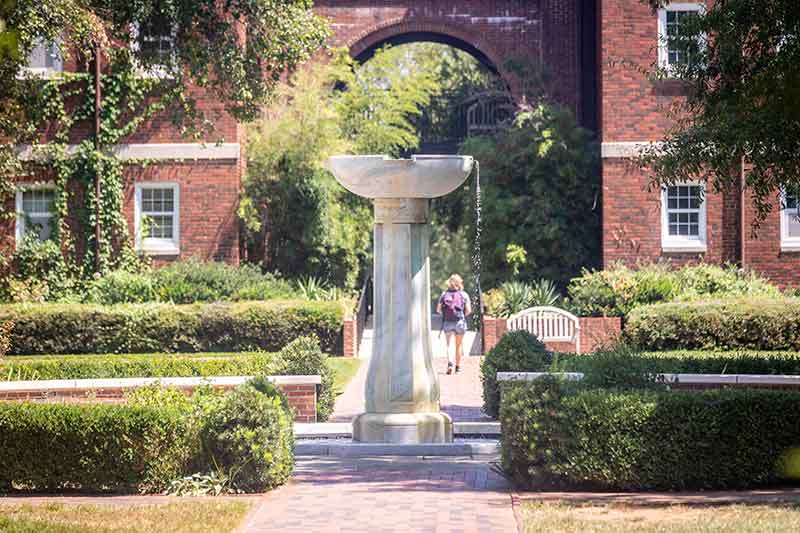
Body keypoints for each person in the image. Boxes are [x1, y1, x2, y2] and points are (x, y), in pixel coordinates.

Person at [436, 274, 472, 374]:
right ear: (460, 283)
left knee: (449, 345)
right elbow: (469, 310)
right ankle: (458, 368)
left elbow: (438, 310)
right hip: (460, 322)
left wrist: (445, 314)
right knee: (458, 345)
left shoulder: (444, 294)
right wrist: (461, 315)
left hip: (447, 322)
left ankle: (450, 364)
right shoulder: (464, 294)